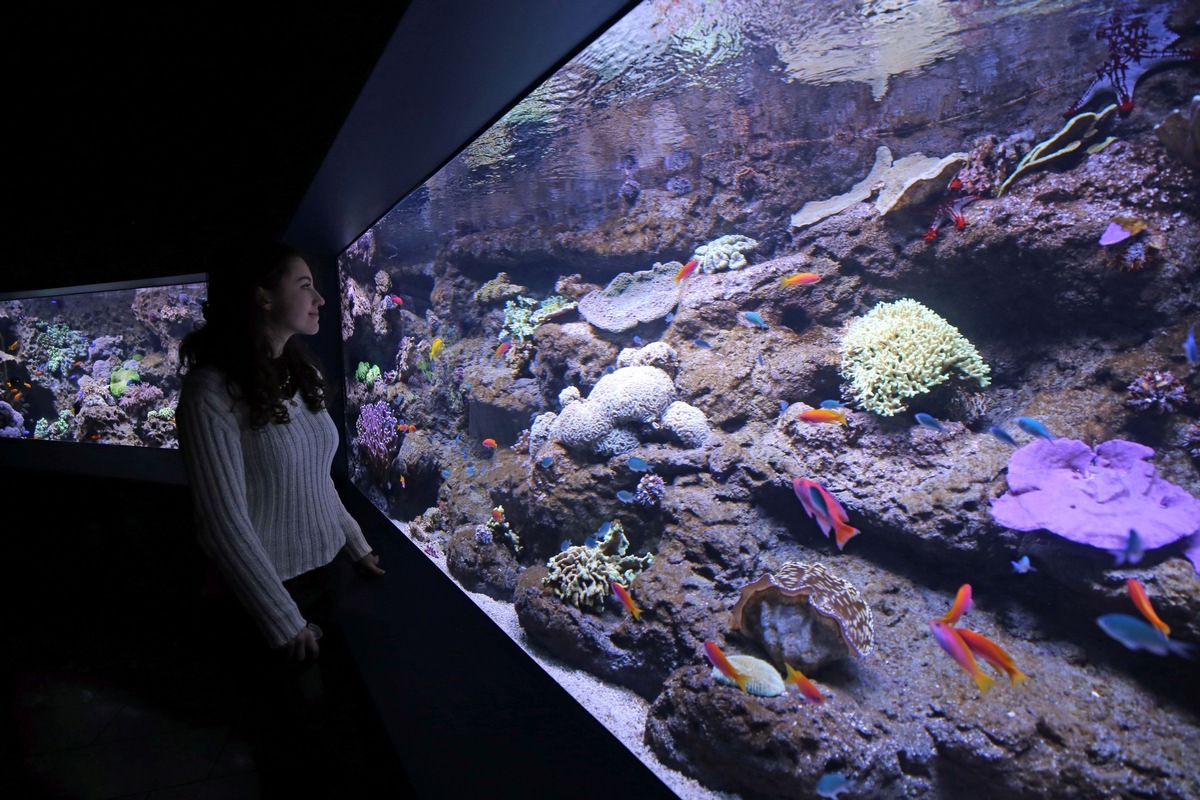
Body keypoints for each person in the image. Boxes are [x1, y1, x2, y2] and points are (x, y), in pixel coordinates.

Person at [176, 239, 395, 795]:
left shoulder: (298, 373)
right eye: (304, 285)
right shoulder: (210, 393)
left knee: (338, 735)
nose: (321, 298)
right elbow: (222, 525)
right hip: (269, 597)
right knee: (287, 746)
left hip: (328, 578)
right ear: (263, 298)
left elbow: (315, 478)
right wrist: (281, 618)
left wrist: (355, 543)